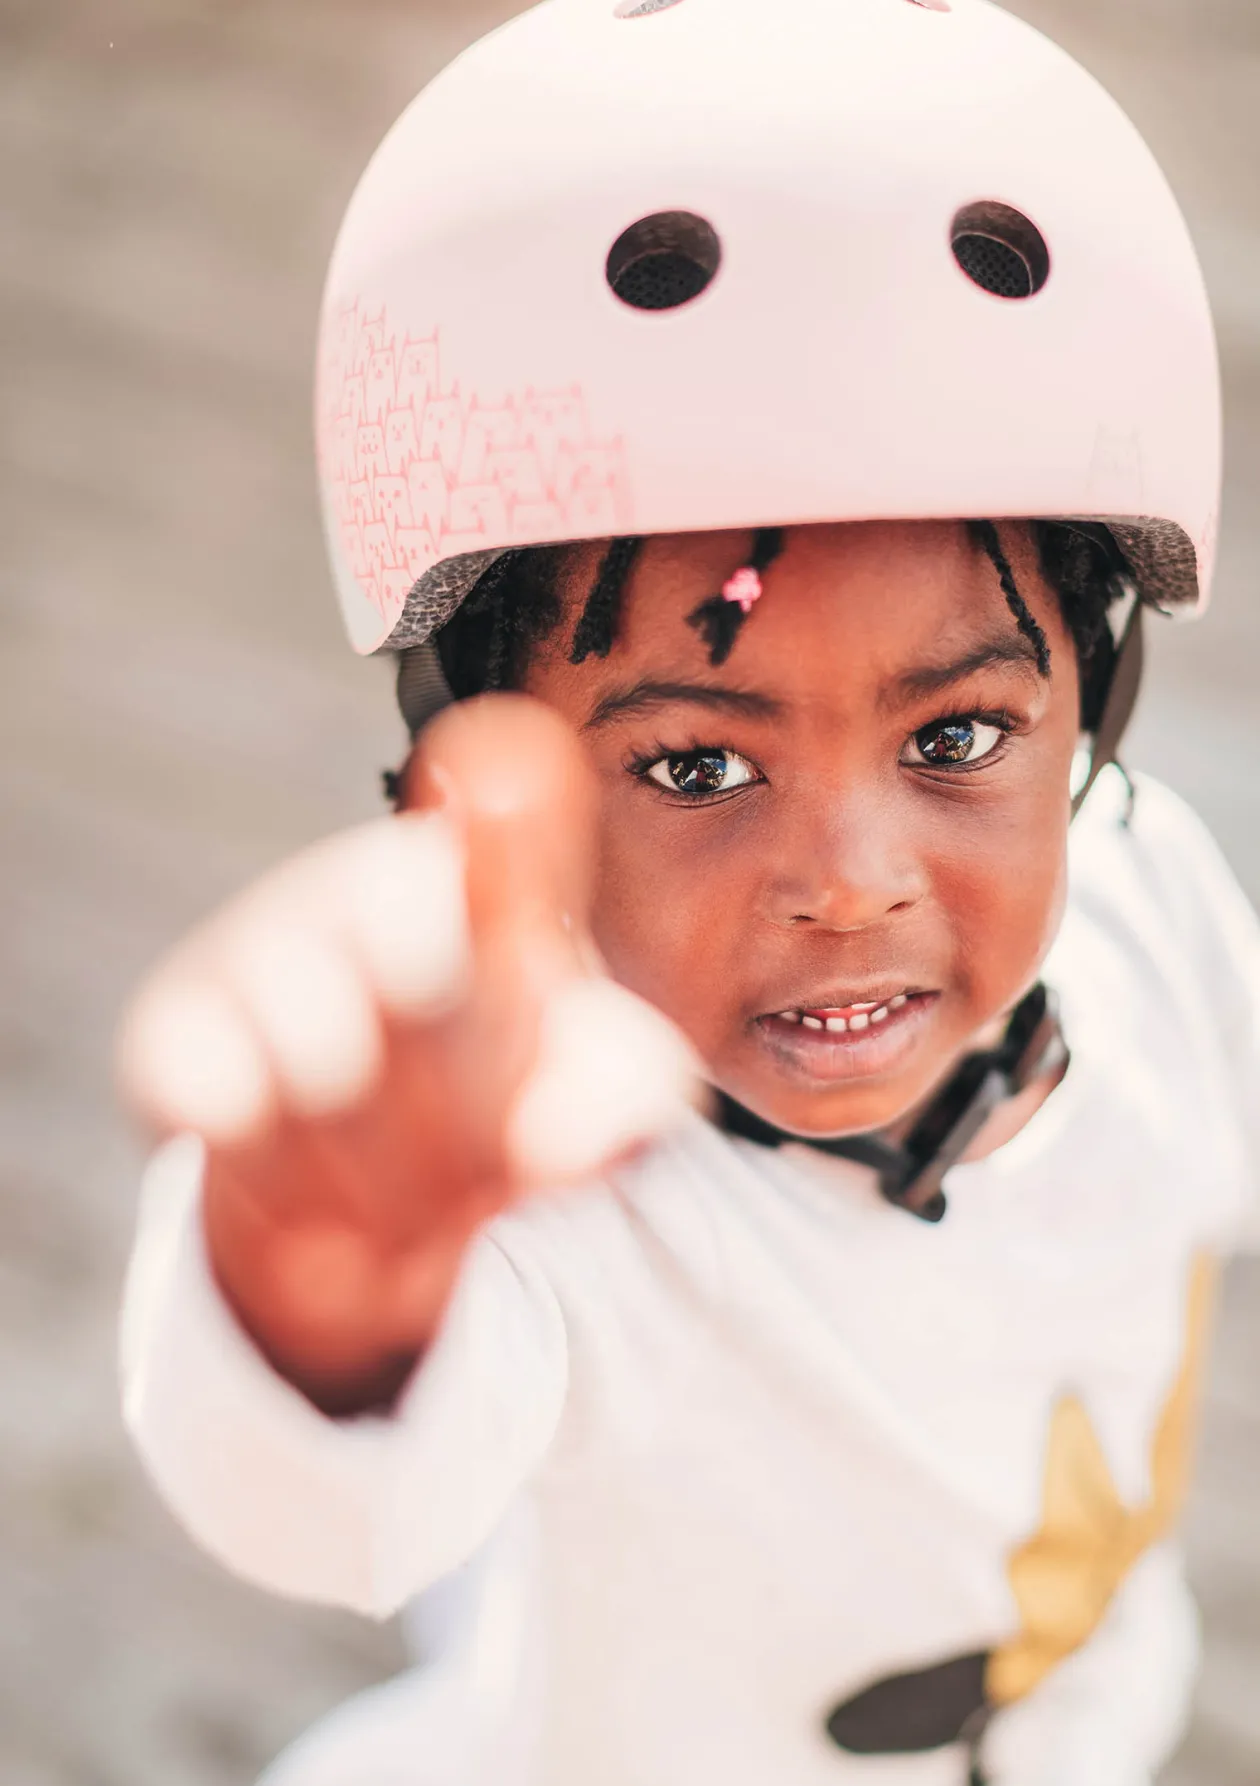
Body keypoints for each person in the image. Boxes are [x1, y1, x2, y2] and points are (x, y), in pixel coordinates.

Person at [117, 1, 1258, 1782]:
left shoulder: (1151, 910)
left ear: (1092, 711)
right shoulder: (572, 1201)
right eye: (699, 768)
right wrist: (313, 1279)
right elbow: (322, 1509)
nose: (850, 884)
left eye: (958, 736)